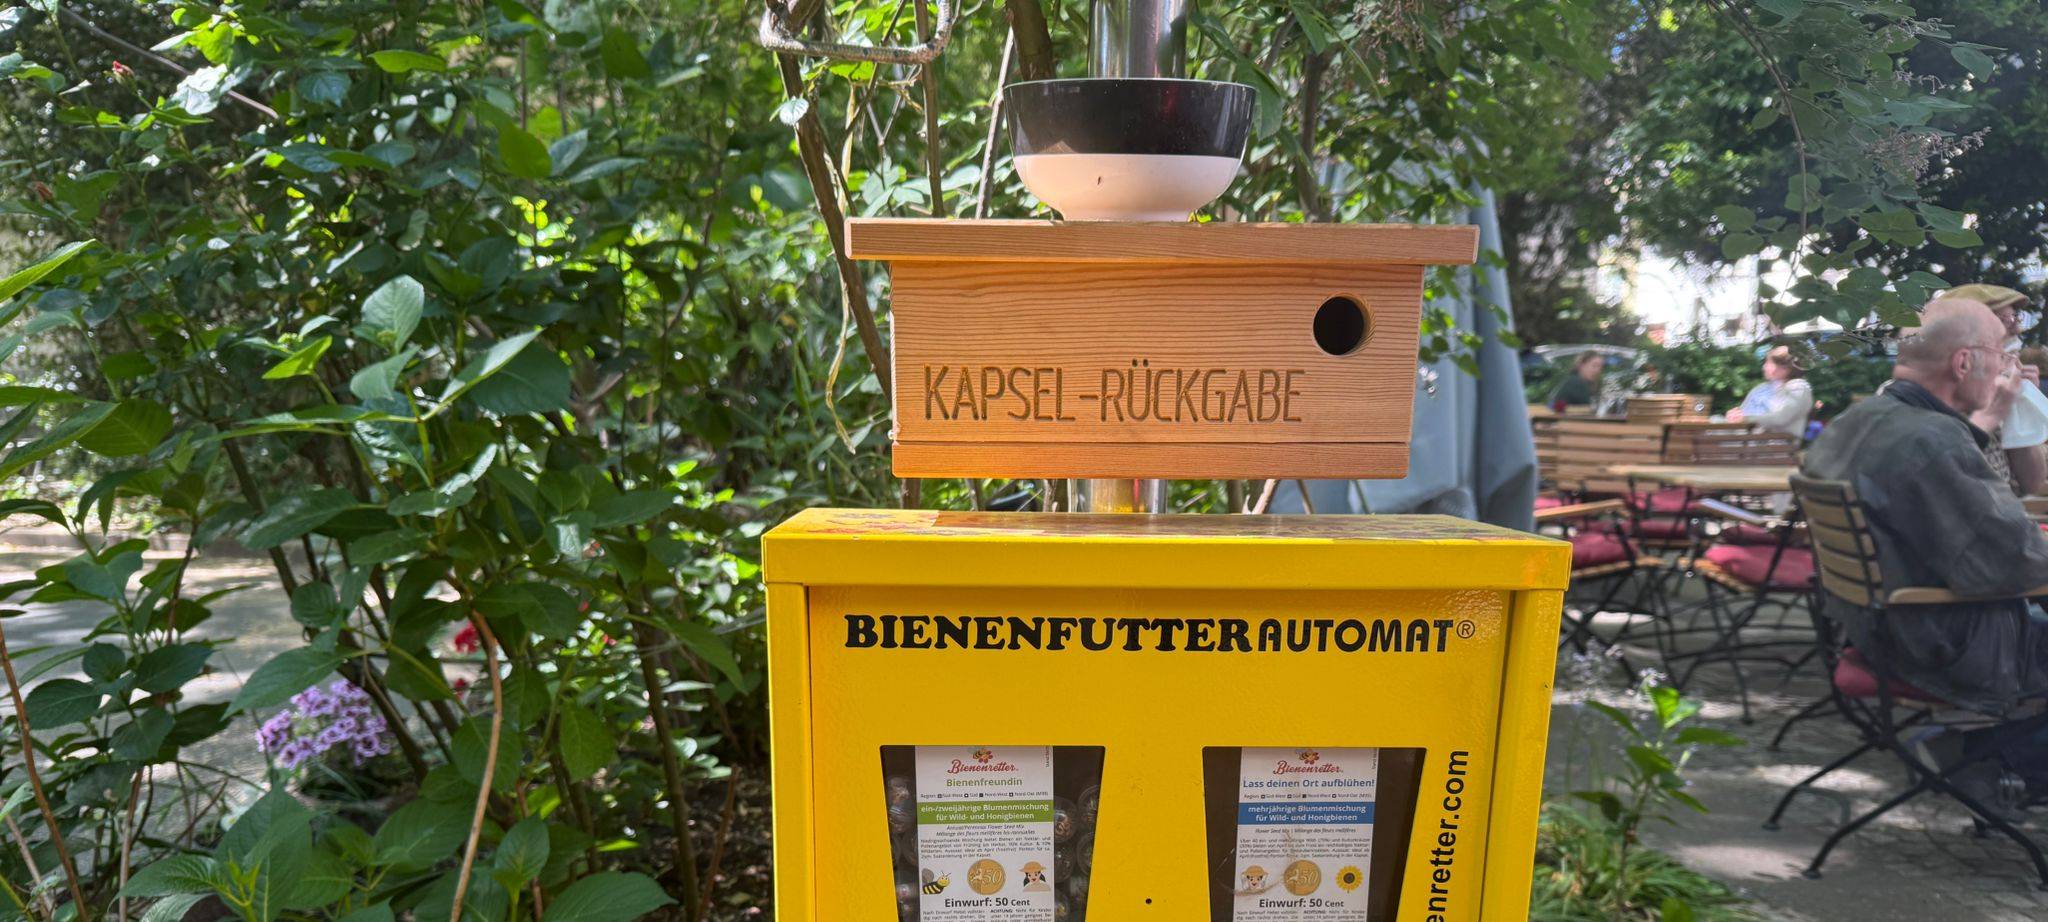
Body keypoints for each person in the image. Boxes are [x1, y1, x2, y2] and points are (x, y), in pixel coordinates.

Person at [1803, 298, 2048, 807]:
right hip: (1941, 645)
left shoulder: (1860, 418)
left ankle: (1989, 753)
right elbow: (2019, 563)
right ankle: (1998, 759)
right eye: (2003, 356)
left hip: (1872, 628)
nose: (2009, 370)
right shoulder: (1933, 441)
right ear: (1964, 363)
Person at [1725, 345, 1813, 438]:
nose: (1764, 367)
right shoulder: (1762, 389)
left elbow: (1781, 418)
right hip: (1755, 442)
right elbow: (1743, 416)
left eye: (1768, 363)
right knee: (1715, 422)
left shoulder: (1798, 388)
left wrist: (1746, 419)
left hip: (1775, 445)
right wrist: (1735, 417)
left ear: (1785, 368)